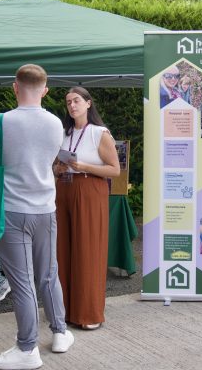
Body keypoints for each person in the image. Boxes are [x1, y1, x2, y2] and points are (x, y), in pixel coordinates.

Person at [0, 64, 73, 370]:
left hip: (11, 211)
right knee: (48, 273)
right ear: (45, 90)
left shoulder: (1, 121)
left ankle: (27, 349)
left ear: (15, 87)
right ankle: (60, 332)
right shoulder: (55, 123)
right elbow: (51, 157)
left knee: (22, 283)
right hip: (45, 209)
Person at [53, 87, 120, 331]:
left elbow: (115, 170)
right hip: (65, 190)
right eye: (69, 102)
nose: (72, 105)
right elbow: (56, 165)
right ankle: (66, 311)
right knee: (63, 250)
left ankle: (89, 313)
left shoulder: (99, 133)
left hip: (89, 190)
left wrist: (83, 166)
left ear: (88, 104)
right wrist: (58, 169)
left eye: (77, 100)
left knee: (88, 250)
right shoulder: (64, 133)